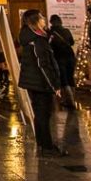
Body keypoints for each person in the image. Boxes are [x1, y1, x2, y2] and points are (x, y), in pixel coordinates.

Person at [18, 9, 64, 156]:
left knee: (40, 114)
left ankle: (44, 145)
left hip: (34, 82)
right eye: (42, 18)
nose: (44, 20)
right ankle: (47, 147)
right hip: (41, 82)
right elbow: (43, 64)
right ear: (35, 22)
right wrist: (54, 85)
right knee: (44, 114)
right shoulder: (36, 40)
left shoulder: (31, 37)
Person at [48, 14, 77, 109]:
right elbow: (72, 42)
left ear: (51, 22)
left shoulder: (50, 33)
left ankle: (69, 100)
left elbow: (49, 45)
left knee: (64, 78)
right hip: (70, 55)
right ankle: (72, 99)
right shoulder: (66, 31)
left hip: (59, 56)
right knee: (70, 77)